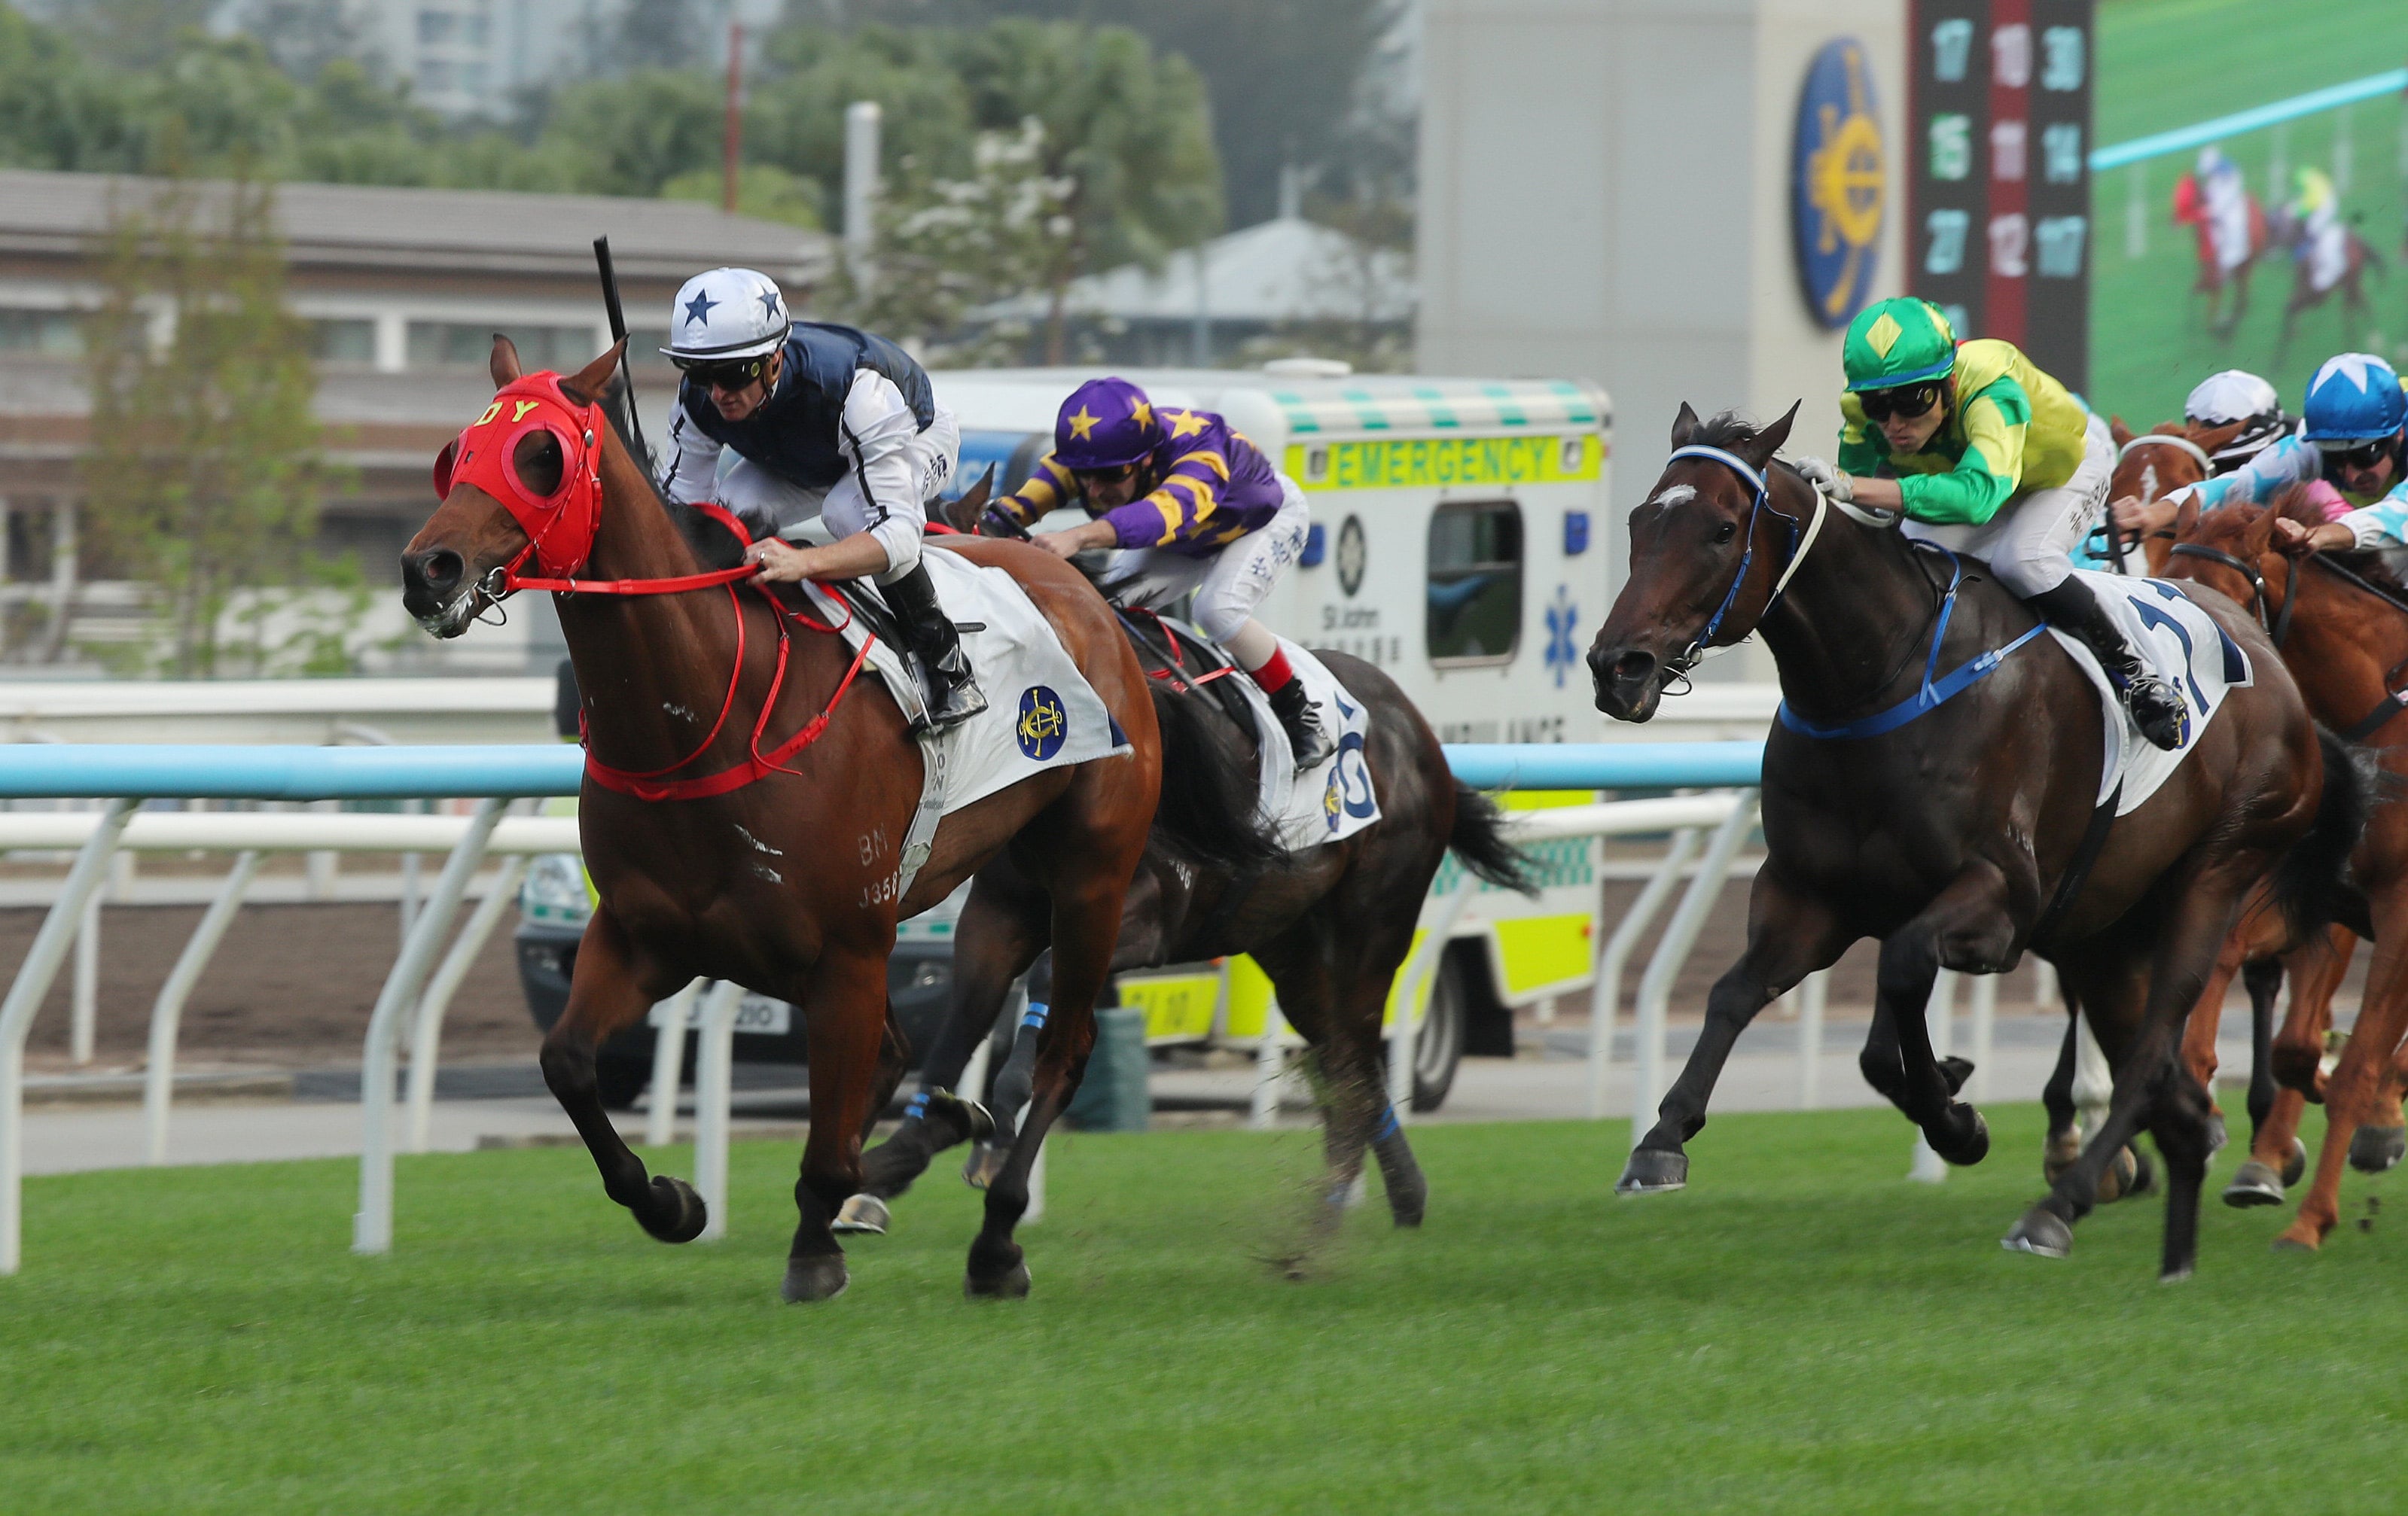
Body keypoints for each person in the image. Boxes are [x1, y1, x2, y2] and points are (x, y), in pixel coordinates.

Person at [1795, 297, 2186, 749]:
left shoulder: (1992, 389)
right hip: (1970, 479)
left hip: (2056, 475)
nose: (1895, 423)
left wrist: (1854, 488)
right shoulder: (1861, 411)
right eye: (1878, 406)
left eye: (1912, 400)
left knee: (2024, 561)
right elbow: (1865, 512)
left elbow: (1977, 499)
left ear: (1949, 382)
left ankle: (2137, 675)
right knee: (1907, 562)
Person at [655, 266, 983, 729]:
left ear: (774, 359)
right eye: (698, 372)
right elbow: (679, 520)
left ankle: (950, 671)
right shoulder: (698, 400)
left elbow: (898, 539)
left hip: (917, 437)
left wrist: (802, 563)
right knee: (726, 516)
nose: (718, 394)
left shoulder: (859, 391)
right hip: (809, 456)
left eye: (732, 374)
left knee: (847, 511)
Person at [982, 376, 1333, 770]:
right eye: (1084, 476)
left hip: (1257, 522)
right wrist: (988, 522)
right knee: (1106, 607)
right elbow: (1022, 503)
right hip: (1189, 538)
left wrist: (1076, 538)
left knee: (1216, 610)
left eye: (1112, 477)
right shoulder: (1094, 458)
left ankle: (1301, 716)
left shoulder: (1201, 449)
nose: (1095, 491)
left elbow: (1164, 516)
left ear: (1147, 459)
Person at [2105, 369, 2294, 544]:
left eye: (2235, 463)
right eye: (2216, 466)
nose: (2225, 475)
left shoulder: (2298, 456)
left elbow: (2244, 480)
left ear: (2268, 448)